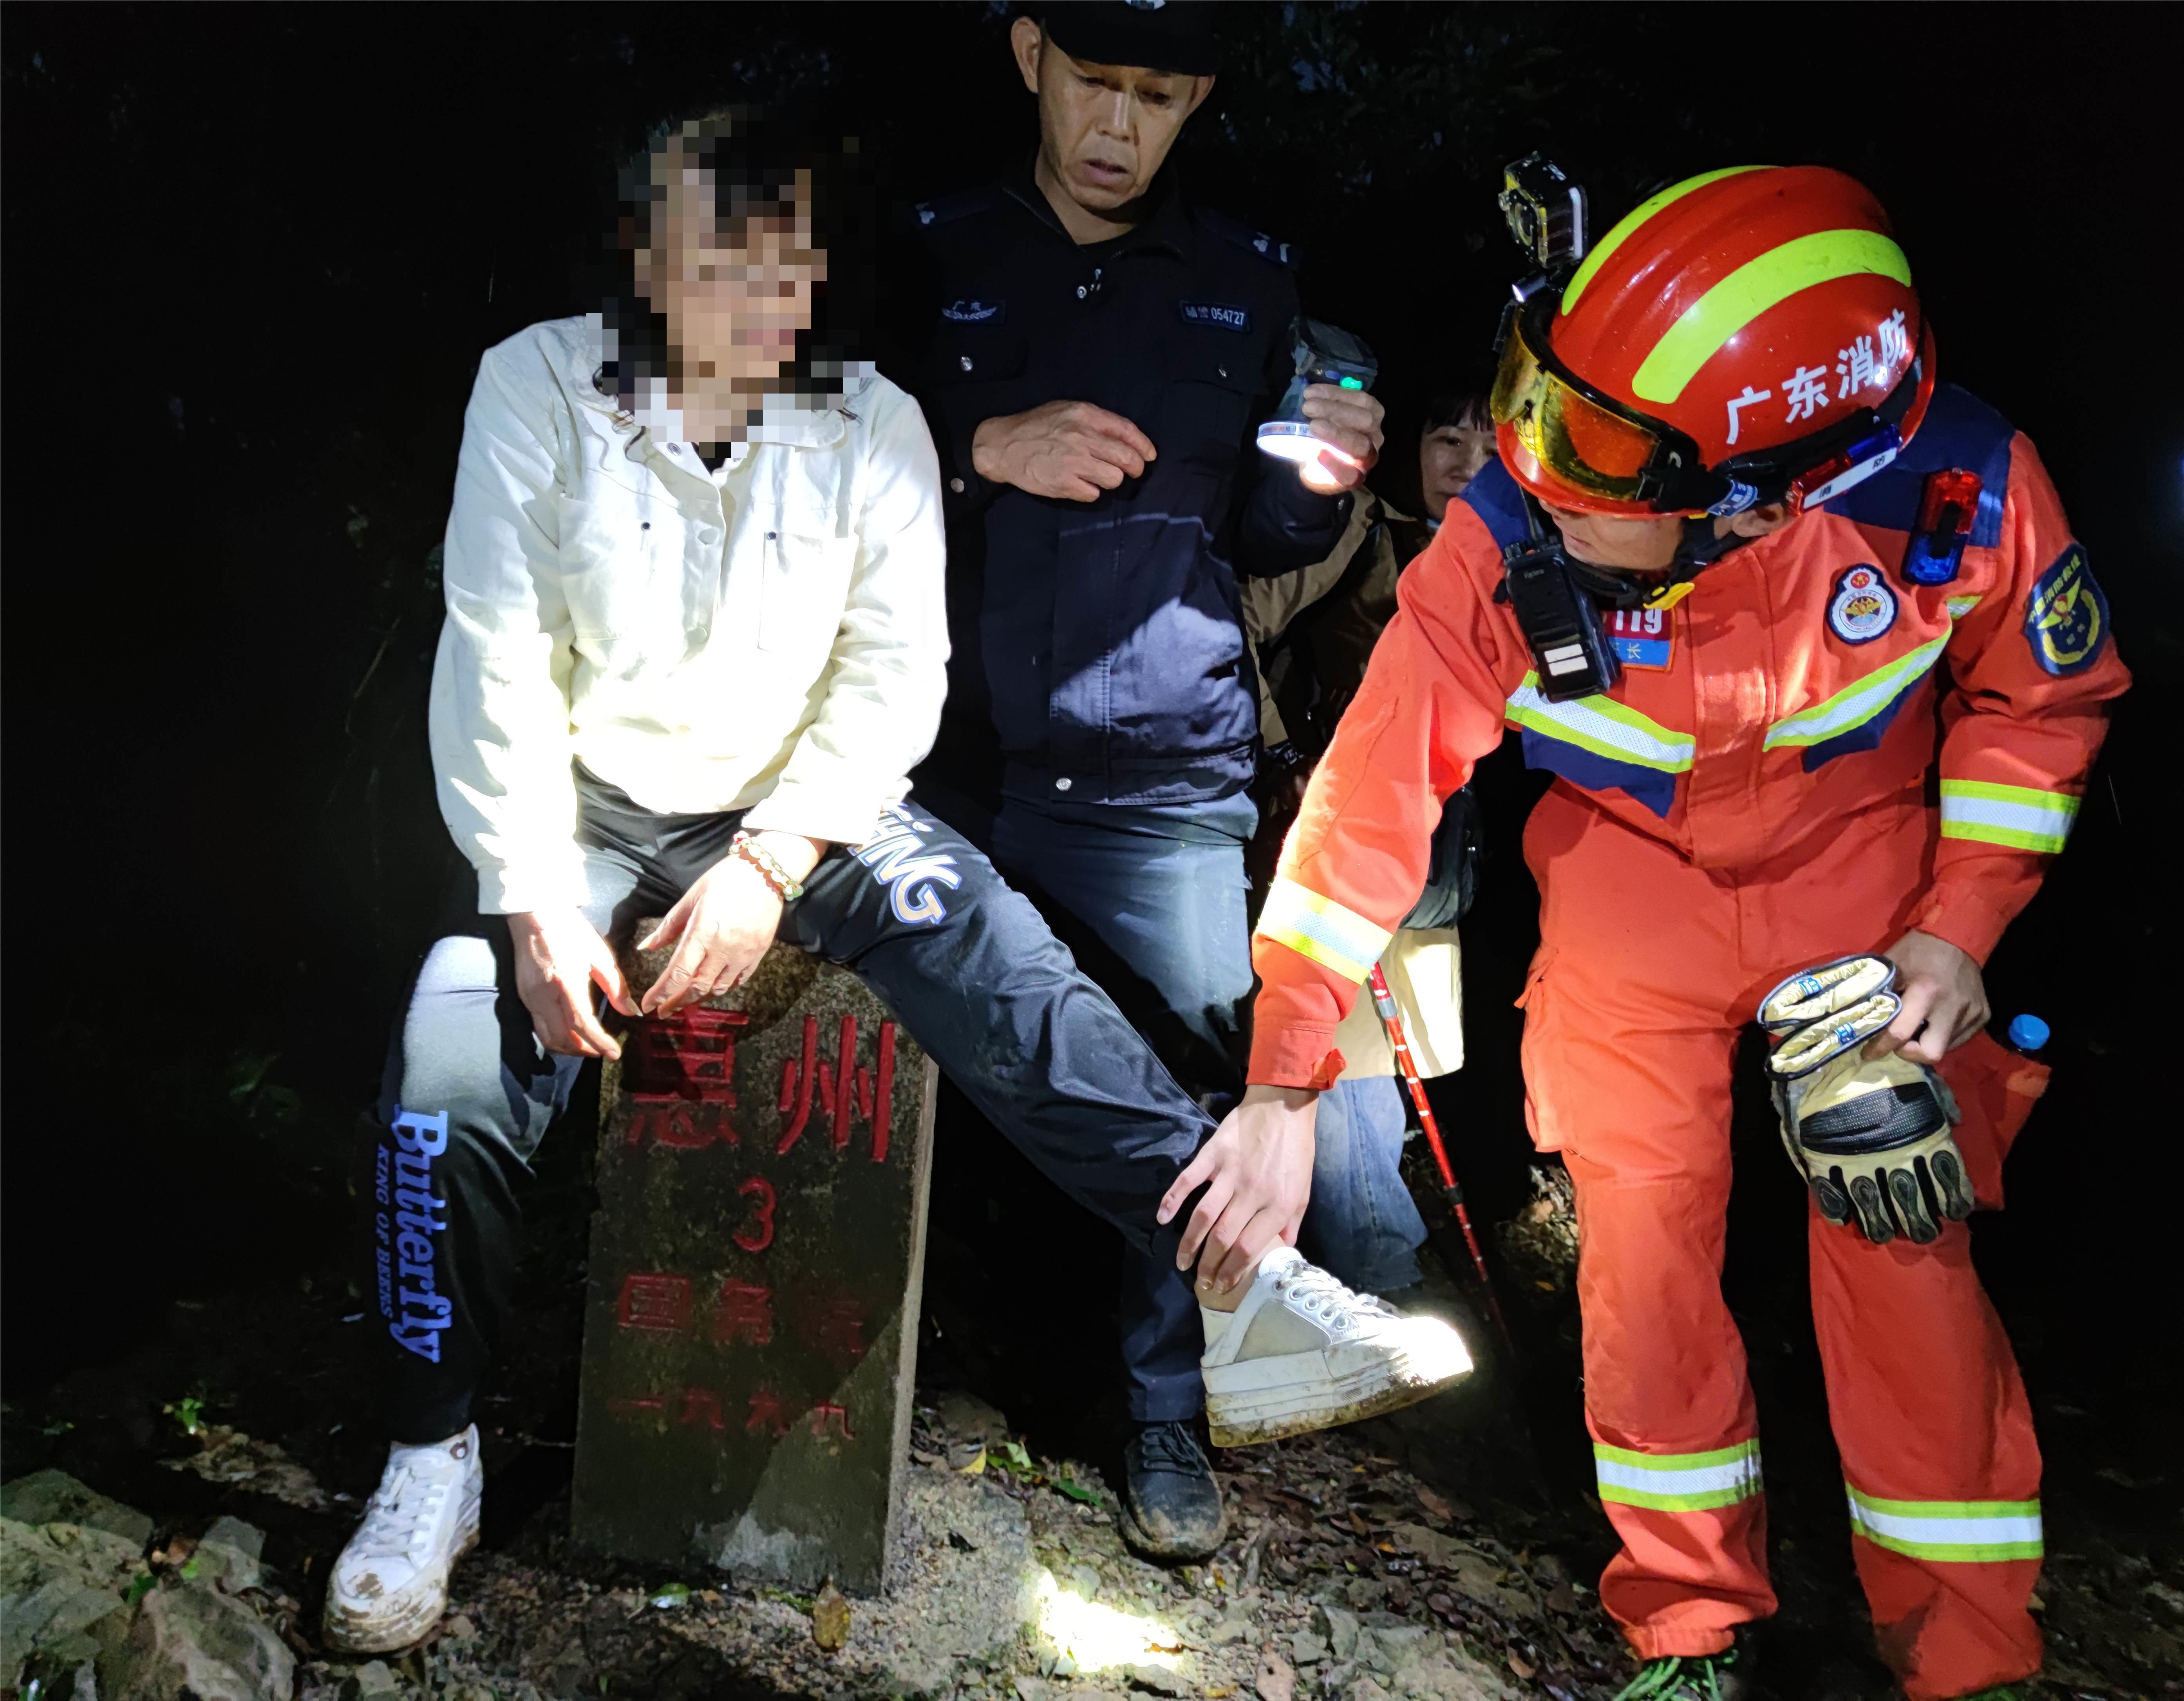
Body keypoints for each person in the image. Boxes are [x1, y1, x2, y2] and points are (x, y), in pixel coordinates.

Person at [322, 107, 1467, 1655]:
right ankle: (428, 1451)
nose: (760, 305)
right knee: (448, 1062)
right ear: (644, 263)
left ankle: (1245, 1272)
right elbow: (493, 651)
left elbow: (887, 681)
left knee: (1001, 958)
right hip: (582, 808)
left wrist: (770, 862)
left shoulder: (863, 420)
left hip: (807, 806)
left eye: (786, 271)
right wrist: (532, 895)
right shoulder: (538, 383)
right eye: (721, 266)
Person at [1219, 164, 2130, 1700]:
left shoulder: (1954, 489)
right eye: (1544, 404)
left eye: (1598, 456)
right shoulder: (1518, 518)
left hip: (1867, 896)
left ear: (1760, 490)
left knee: (1899, 1243)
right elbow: (1369, 795)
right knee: (1638, 1265)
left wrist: (1955, 933)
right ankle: (1685, 1627)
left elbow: (2037, 705)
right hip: (1624, 895)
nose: (1532, 466)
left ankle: (1965, 1656)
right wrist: (1283, 1074)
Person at [897, 1, 1388, 1559]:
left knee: (1192, 1083)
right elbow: (811, 454)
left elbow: (1262, 538)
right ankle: (886, 1368)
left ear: (1197, 103)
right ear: (1029, 53)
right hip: (947, 761)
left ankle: (1168, 1421)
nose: (1120, 126)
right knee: (943, 1052)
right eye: (1097, 83)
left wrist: (1317, 481)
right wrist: (982, 441)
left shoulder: (1243, 281)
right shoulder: (931, 248)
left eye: (1158, 97)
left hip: (1164, 780)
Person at [1242, 380, 1495, 1297]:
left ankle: (1375, 1262)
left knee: (1407, 1051)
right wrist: (1279, 757)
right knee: (1343, 1051)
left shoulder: (1526, 542)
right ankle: (1374, 1277)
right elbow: (1235, 616)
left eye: (1489, 444)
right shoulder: (1365, 532)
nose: (1467, 468)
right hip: (1347, 829)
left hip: (1440, 841)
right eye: (1445, 442)